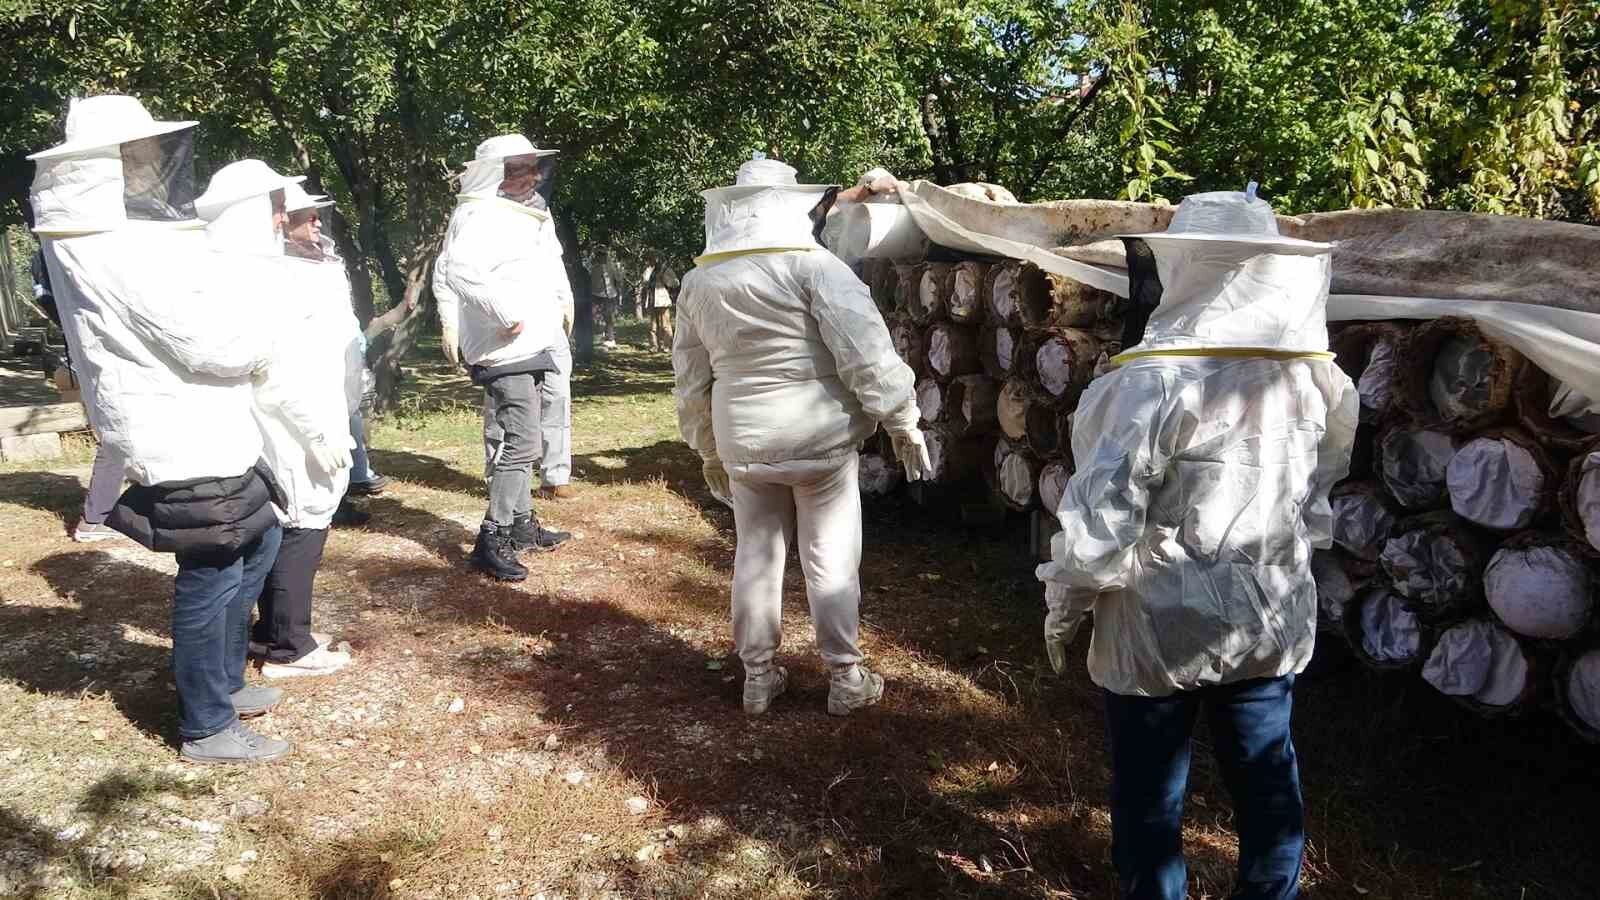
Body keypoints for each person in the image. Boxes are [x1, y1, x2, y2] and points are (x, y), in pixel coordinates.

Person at [1036, 190, 1358, 900]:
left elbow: (1100, 520)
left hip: (1157, 625)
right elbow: (1318, 497)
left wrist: (1066, 604)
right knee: (1266, 773)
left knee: (1152, 788)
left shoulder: (1148, 382)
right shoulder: (1314, 378)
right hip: (1265, 615)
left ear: (1184, 267)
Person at [30, 95, 291, 765]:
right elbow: (210, 341)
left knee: (253, 547)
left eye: (152, 151)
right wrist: (266, 335)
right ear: (100, 166)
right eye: (135, 153)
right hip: (178, 427)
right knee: (213, 567)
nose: (151, 164)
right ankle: (206, 724)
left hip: (207, 419)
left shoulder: (129, 234)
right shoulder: (106, 243)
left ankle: (225, 685)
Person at [673, 156, 933, 717]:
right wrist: (902, 418)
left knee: (756, 557)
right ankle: (845, 677)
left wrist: (706, 447)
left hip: (743, 436)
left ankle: (758, 679)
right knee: (831, 560)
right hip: (819, 438)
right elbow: (865, 352)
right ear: (791, 207)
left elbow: (690, 377)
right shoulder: (816, 269)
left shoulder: (698, 281)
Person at [230, 173, 361, 678]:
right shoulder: (272, 279)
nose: (312, 223)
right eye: (301, 215)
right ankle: (290, 646)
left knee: (296, 522)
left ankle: (274, 630)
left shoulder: (308, 271)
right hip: (295, 421)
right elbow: (280, 375)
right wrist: (318, 432)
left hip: (317, 411)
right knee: (303, 521)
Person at [433, 133, 573, 581]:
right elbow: (457, 269)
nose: (531, 176)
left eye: (534, 167)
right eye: (519, 169)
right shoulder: (477, 212)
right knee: (523, 443)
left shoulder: (528, 211)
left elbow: (544, 265)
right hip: (503, 345)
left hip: (532, 341)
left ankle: (522, 524)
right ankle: (490, 538)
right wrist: (502, 313)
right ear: (494, 173)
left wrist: (559, 303)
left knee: (526, 432)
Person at [31, 247, 127, 543]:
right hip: (105, 349)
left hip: (95, 347)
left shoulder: (48, 254)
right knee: (118, 432)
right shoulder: (66, 252)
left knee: (120, 430)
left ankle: (101, 513)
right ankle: (94, 519)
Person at [588, 244, 624, 349]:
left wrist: (619, 291)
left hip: (610, 295)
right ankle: (598, 338)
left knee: (609, 317)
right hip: (596, 294)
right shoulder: (592, 266)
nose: (601, 256)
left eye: (603, 254)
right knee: (595, 317)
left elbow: (618, 279)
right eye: (598, 254)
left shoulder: (611, 265)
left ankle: (611, 339)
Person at [641, 257, 678, 352]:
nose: (654, 262)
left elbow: (675, 283)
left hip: (662, 301)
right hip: (651, 300)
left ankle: (668, 346)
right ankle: (654, 346)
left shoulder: (666, 270)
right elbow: (644, 282)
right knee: (652, 326)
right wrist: (648, 269)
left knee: (665, 325)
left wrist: (664, 277)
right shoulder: (649, 270)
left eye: (656, 260)